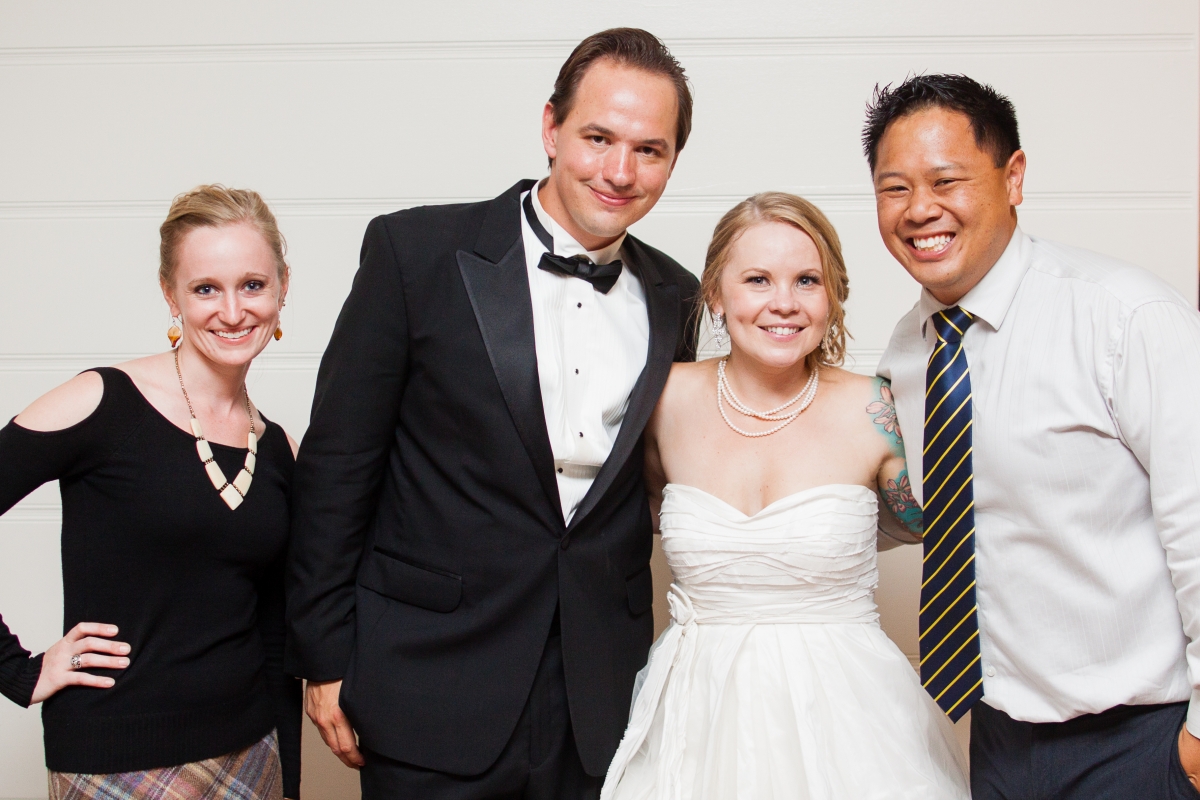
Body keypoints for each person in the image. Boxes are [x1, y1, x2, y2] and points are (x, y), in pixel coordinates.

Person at [285, 28, 701, 800]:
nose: (620, 171)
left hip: (598, 696)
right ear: (550, 127)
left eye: (650, 150)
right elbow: (338, 465)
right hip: (427, 680)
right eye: (598, 138)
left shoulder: (677, 295)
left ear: (674, 160)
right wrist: (324, 655)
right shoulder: (414, 252)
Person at [867, 73, 1200, 799]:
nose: (920, 209)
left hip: (1143, 741)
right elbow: (908, 514)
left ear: (1013, 177)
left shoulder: (1126, 317)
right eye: (895, 189)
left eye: (946, 180)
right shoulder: (905, 354)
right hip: (995, 742)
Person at [600, 192, 970, 799]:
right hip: (697, 714)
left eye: (806, 280)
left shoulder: (874, 408)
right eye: (757, 280)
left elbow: (938, 522)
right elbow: (621, 519)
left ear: (832, 296)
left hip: (850, 719)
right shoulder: (663, 400)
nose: (784, 303)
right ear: (715, 295)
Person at [0, 185, 301, 800]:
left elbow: (275, 633)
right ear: (170, 294)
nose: (233, 311)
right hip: (115, 762)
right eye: (205, 288)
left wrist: (289, 778)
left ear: (282, 287)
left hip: (251, 753)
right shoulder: (100, 403)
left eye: (252, 285)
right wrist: (15, 671)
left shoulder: (277, 450)